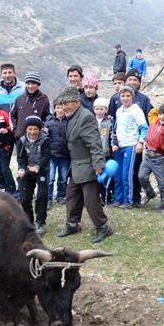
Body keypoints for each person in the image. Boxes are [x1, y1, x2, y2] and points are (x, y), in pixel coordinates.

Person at [55, 86, 113, 243]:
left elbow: (95, 144)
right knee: (72, 196)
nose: (63, 107)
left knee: (90, 200)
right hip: (76, 166)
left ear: (75, 102)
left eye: (66, 103)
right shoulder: (72, 116)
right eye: (62, 104)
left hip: (88, 165)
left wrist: (98, 164)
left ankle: (103, 227)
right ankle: (73, 224)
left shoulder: (85, 117)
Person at [138, 103, 164, 213]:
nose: (162, 117)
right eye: (161, 114)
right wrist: (163, 108)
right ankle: (150, 193)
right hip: (147, 156)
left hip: (159, 158)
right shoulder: (153, 120)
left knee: (162, 182)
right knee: (142, 176)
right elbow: (152, 112)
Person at [111, 85, 147, 209]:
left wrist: (140, 142)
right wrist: (114, 143)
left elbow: (144, 128)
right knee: (118, 174)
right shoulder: (119, 111)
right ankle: (118, 199)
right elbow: (115, 129)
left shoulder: (136, 110)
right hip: (119, 146)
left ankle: (128, 200)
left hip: (131, 145)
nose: (125, 98)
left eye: (128, 96)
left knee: (127, 173)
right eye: (123, 96)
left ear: (132, 97)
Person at [16, 116, 51, 235]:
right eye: (30, 129)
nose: (32, 132)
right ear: (26, 129)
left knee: (41, 196)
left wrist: (38, 166)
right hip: (27, 171)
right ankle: (29, 222)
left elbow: (46, 156)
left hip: (41, 171)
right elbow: (21, 157)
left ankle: (41, 222)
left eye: (35, 129)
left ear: (39, 129)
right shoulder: (21, 140)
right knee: (24, 198)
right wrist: (21, 168)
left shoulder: (45, 140)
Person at [10, 71, 51, 142]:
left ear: (38, 85)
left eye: (33, 83)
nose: (30, 86)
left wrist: (44, 129)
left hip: (38, 138)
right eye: (28, 84)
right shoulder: (19, 99)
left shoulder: (44, 99)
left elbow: (49, 116)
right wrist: (15, 130)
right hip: (21, 137)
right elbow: (12, 114)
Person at [44, 101, 70, 204]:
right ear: (54, 109)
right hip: (52, 155)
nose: (60, 110)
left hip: (65, 155)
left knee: (63, 178)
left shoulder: (69, 121)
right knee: (50, 178)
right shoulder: (49, 121)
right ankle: (49, 198)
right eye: (58, 108)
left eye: (62, 108)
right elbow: (44, 137)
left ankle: (60, 196)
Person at [93, 97, 116, 205]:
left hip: (105, 153)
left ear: (106, 110)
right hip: (93, 154)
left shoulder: (109, 122)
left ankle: (106, 197)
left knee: (105, 176)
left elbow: (112, 136)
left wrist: (113, 145)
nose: (99, 111)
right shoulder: (91, 121)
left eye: (102, 109)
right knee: (95, 176)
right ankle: (95, 197)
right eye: (97, 109)